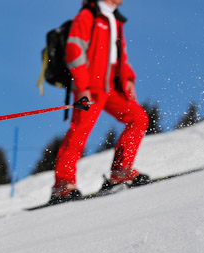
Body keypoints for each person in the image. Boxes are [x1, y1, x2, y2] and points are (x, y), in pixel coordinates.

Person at [50, 0, 150, 204]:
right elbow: (74, 50)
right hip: (90, 86)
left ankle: (121, 171)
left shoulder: (115, 18)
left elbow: (119, 56)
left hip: (111, 86)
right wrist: (82, 86)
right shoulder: (88, 15)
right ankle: (63, 185)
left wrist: (128, 79)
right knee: (79, 132)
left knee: (138, 118)